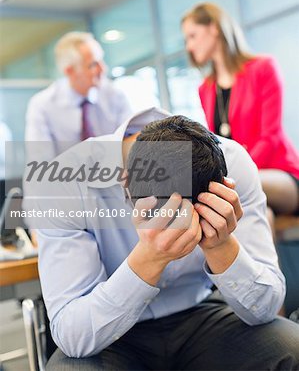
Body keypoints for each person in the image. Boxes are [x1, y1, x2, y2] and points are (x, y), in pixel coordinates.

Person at [25, 108, 299, 370]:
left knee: (291, 349)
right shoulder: (62, 183)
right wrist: (148, 259)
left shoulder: (231, 162)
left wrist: (221, 246)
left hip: (201, 312)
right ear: (126, 186)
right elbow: (72, 335)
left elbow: (265, 308)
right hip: (112, 338)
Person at [181, 2, 299, 216]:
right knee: (261, 214)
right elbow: (218, 143)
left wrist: (235, 172)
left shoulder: (263, 68)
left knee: (229, 190)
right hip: (241, 180)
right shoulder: (206, 89)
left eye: (192, 36)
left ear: (214, 28)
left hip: (280, 174)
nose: (188, 46)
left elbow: (270, 137)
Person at [25, 31, 132, 161]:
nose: (102, 69)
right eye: (92, 65)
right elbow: (40, 162)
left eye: (101, 61)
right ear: (70, 71)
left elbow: (131, 143)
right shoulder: (42, 105)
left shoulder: (115, 96)